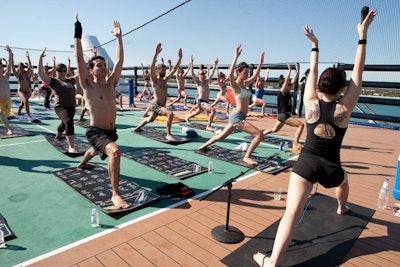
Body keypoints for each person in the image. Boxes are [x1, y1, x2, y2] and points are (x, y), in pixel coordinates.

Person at [253, 9, 377, 267]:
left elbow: (313, 71)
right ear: (342, 89)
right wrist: (362, 36)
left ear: (319, 86)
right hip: (332, 168)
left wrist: (315, 46)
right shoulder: (346, 107)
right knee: (344, 182)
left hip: (306, 165)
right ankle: (342, 207)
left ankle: (272, 262)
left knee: (291, 213)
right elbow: (359, 71)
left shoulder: (310, 103)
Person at [74, 13, 129, 209]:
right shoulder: (88, 85)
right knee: (114, 152)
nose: (104, 67)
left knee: (96, 151)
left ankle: (82, 164)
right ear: (91, 70)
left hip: (110, 131)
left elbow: (119, 60)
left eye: (104, 65)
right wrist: (77, 31)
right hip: (96, 131)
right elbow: (79, 57)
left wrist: (119, 38)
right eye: (98, 65)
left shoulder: (111, 84)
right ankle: (115, 194)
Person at [198, 44, 264, 165]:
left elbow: (255, 76)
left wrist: (260, 63)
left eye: (247, 73)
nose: (247, 75)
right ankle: (247, 157)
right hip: (237, 117)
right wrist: (236, 56)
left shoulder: (245, 83)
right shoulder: (236, 85)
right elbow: (229, 75)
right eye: (245, 73)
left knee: (221, 136)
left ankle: (202, 146)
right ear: (238, 73)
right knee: (259, 134)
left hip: (237, 116)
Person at [133, 43, 182, 141]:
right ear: (157, 71)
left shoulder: (165, 79)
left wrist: (179, 58)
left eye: (165, 70)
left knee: (150, 119)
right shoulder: (154, 80)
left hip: (161, 106)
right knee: (170, 114)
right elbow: (151, 66)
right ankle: (168, 134)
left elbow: (175, 69)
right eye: (162, 70)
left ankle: (137, 128)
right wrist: (156, 54)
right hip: (156, 105)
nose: (164, 72)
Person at [38, 49, 79, 153]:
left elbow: (82, 71)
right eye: (60, 70)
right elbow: (41, 73)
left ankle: (59, 134)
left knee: (65, 122)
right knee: (69, 122)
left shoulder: (71, 80)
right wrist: (40, 58)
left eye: (64, 70)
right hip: (60, 107)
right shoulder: (53, 81)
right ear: (55, 71)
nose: (62, 72)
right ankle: (71, 146)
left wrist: (80, 56)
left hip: (71, 106)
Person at [262, 63, 304, 154]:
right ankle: (295, 142)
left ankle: (260, 135)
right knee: (301, 125)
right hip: (284, 116)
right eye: (288, 84)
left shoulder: (287, 91)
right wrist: (289, 71)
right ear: (283, 86)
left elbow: (293, 80)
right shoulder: (281, 93)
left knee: (274, 130)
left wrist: (297, 71)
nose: (290, 85)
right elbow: (286, 83)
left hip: (282, 116)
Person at [185, 56, 218, 132]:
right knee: (213, 110)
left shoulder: (206, 81)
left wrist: (215, 65)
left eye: (203, 73)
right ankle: (208, 126)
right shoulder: (198, 82)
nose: (202, 75)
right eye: (201, 74)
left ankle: (187, 118)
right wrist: (192, 63)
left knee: (196, 113)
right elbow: (192, 73)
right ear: (199, 75)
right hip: (201, 101)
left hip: (206, 101)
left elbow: (212, 73)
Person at [7, 46, 34, 120]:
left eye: (22, 67)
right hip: (20, 91)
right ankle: (29, 116)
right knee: (26, 101)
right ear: (18, 68)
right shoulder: (17, 74)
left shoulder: (27, 73)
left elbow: (30, 66)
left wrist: (28, 57)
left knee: (23, 103)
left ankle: (18, 111)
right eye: (19, 67)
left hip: (28, 91)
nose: (21, 68)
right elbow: (12, 66)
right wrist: (12, 57)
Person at [0, 48, 13, 135]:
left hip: (7, 102)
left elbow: (10, 64)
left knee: (5, 115)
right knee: (1, 113)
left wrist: (10, 53)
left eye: (0, 67)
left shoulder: (6, 76)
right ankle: (9, 129)